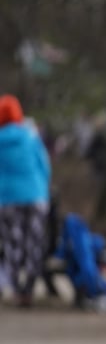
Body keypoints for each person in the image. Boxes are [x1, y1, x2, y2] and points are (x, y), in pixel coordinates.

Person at [0, 94, 52, 307]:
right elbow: (45, 165)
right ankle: (29, 286)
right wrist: (42, 189)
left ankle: (14, 285)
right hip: (35, 196)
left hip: (7, 198)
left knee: (13, 243)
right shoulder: (31, 137)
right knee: (34, 243)